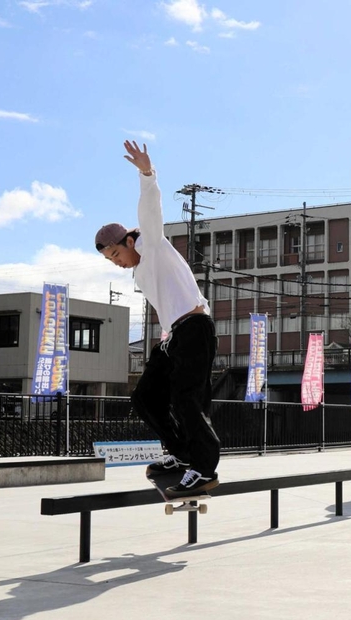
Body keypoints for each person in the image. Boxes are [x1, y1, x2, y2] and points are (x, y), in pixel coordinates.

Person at [95, 141, 220, 498]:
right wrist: (166, 338)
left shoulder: (151, 243)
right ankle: (182, 456)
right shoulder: (140, 271)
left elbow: (151, 209)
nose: (118, 262)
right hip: (175, 335)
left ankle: (204, 468)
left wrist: (147, 174)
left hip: (195, 328)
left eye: (118, 253)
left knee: (185, 399)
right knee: (145, 397)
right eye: (111, 260)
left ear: (129, 241)